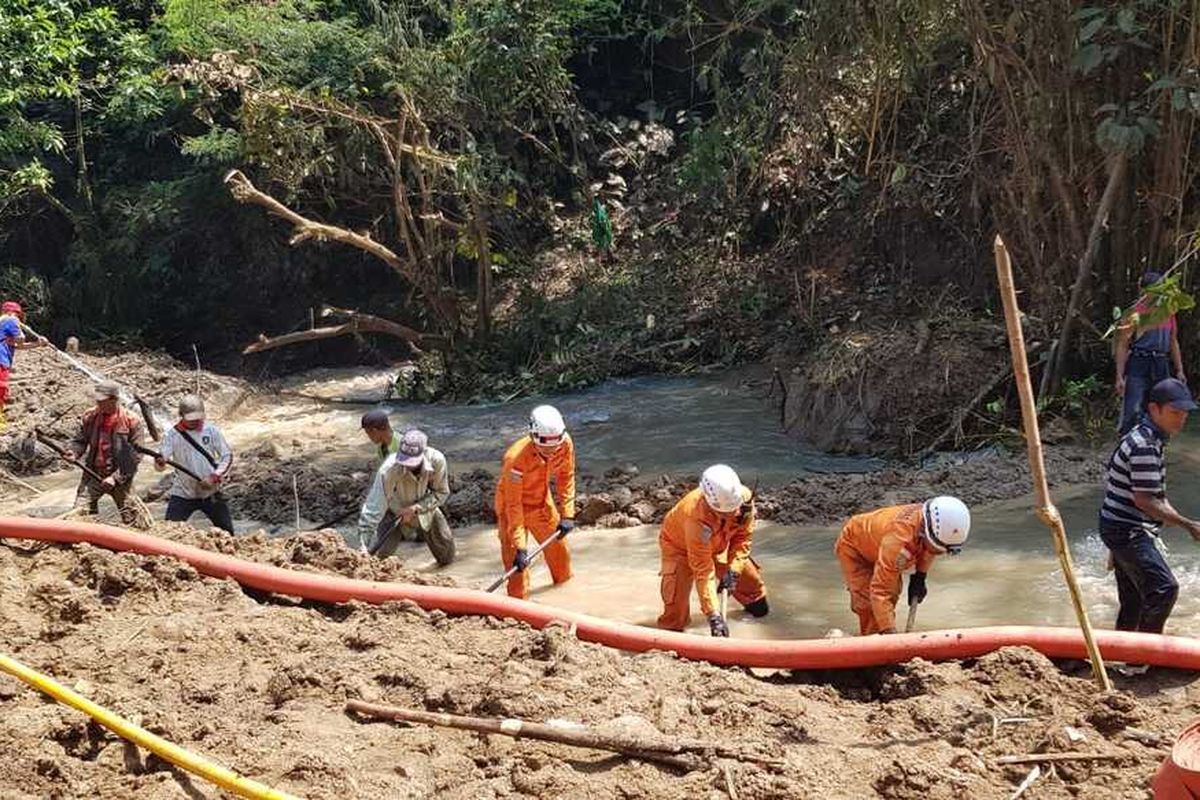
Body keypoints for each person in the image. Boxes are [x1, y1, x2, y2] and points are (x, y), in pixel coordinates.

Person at [1100, 378, 1200, 673]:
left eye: (1185, 413)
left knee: (1132, 599)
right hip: (1126, 528)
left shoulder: (1146, 436)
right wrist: (1188, 525)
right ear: (1154, 409)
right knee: (1164, 589)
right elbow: (1146, 500)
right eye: (1175, 412)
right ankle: (1143, 659)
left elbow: (1152, 496)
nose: (1181, 418)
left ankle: (1123, 655)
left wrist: (1165, 518)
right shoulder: (1144, 444)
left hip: (1118, 524)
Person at [657, 464, 768, 636]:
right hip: (680, 548)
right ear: (710, 505)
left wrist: (734, 571)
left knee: (754, 592)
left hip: (719, 544)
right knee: (675, 617)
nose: (732, 515)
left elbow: (742, 538)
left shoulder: (744, 499)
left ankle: (756, 608)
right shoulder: (694, 518)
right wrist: (713, 615)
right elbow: (703, 569)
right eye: (725, 513)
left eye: (734, 511)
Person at [835, 496, 970, 635]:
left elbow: (929, 550)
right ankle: (874, 641)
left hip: (881, 542)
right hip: (855, 548)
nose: (938, 554)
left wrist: (920, 576)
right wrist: (890, 633)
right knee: (868, 603)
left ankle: (881, 635)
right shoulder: (898, 541)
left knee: (893, 591)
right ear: (925, 532)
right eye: (937, 550)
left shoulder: (929, 525)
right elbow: (881, 591)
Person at [493, 405, 576, 599]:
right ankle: (518, 609)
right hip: (512, 507)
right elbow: (513, 506)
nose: (551, 451)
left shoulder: (564, 443)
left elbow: (566, 477)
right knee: (517, 569)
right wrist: (521, 547)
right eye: (545, 448)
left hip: (541, 502)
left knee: (560, 555)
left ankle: (566, 597)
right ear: (532, 437)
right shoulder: (515, 459)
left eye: (554, 447)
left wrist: (568, 514)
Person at [357, 429, 455, 565]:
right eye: (404, 460)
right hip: (393, 511)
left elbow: (441, 493)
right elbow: (373, 508)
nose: (407, 465)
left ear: (424, 453)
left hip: (425, 508)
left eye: (412, 461)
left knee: (447, 558)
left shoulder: (437, 461)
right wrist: (364, 545)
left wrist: (416, 508)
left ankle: (419, 536)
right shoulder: (389, 469)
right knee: (379, 559)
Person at [1115, 271, 1186, 434]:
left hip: (1160, 363)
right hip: (1139, 362)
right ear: (1144, 291)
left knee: (1161, 409)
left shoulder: (1168, 312)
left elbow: (1173, 341)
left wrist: (1180, 369)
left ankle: (1155, 447)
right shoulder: (1135, 313)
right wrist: (1119, 375)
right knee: (1132, 410)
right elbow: (1123, 344)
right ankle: (1127, 448)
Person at [155, 394, 234, 533]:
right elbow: (160, 465)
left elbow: (227, 456)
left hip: (211, 492)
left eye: (198, 418)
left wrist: (214, 477)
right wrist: (160, 462)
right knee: (169, 532)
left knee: (228, 532)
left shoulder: (211, 431)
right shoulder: (172, 435)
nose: (196, 422)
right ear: (181, 415)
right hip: (183, 493)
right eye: (191, 419)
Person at [70, 380, 145, 524]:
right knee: (79, 513)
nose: (98, 404)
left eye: (102, 401)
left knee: (134, 520)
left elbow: (135, 456)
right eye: (97, 400)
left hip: (121, 479)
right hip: (93, 474)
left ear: (114, 399)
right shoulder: (90, 416)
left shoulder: (132, 421)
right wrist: (73, 452)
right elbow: (80, 441)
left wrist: (115, 478)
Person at [0, 300, 47, 430]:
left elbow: (17, 345)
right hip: (1, 361)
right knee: (1, 389)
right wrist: (21, 332)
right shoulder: (10, 320)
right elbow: (20, 339)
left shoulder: (3, 325)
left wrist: (38, 343)